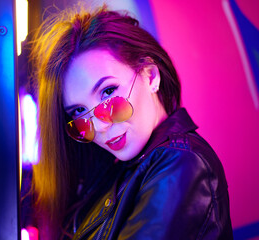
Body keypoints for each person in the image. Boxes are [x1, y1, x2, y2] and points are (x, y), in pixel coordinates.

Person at [29, 5, 233, 240]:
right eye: (79, 111)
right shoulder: (114, 170)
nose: (100, 126)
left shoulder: (182, 163)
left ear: (150, 76)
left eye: (108, 92)